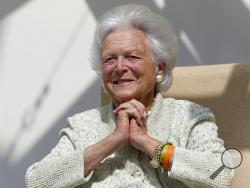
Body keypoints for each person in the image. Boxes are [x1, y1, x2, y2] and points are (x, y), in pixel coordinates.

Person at [25, 4, 234, 188]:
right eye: (109, 59)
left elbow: (220, 175)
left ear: (159, 68)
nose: (119, 67)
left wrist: (148, 143)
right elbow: (37, 181)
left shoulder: (189, 118)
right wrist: (112, 141)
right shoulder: (82, 126)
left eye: (132, 57)